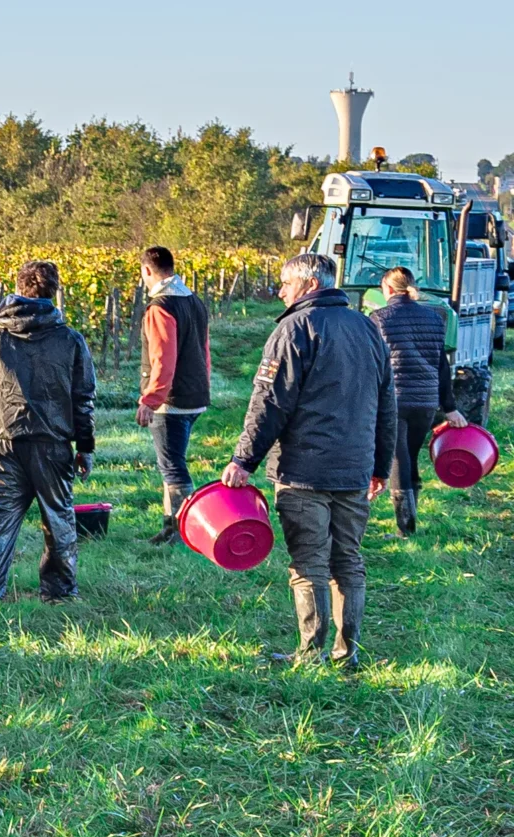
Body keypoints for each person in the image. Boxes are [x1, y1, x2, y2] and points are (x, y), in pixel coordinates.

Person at [224, 253, 396, 669]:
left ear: (309, 284)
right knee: (348, 561)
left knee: (309, 563)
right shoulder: (367, 327)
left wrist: (243, 459)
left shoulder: (293, 328)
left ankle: (310, 652)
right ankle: (346, 651)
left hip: (303, 471)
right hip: (354, 467)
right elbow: (387, 402)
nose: (280, 291)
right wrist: (380, 464)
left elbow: (269, 402)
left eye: (285, 283)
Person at [0, 260, 96, 602]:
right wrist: (85, 445)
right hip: (52, 443)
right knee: (58, 519)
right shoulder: (70, 339)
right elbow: (83, 396)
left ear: (18, 289)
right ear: (54, 291)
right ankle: (60, 592)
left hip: (2, 440)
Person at [366, 265, 462, 536]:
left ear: (387, 289)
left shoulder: (379, 318)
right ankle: (410, 520)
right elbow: (441, 365)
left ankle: (404, 528)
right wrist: (450, 407)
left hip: (394, 400)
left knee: (398, 458)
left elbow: (371, 364)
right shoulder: (433, 318)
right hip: (426, 401)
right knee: (409, 456)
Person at [135, 246, 212, 544]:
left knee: (172, 467)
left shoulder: (160, 307)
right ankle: (170, 527)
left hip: (171, 401)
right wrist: (203, 387)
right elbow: (204, 351)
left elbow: (163, 359)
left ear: (147, 271)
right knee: (172, 463)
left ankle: (184, 530)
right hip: (194, 395)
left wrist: (150, 400)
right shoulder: (194, 301)